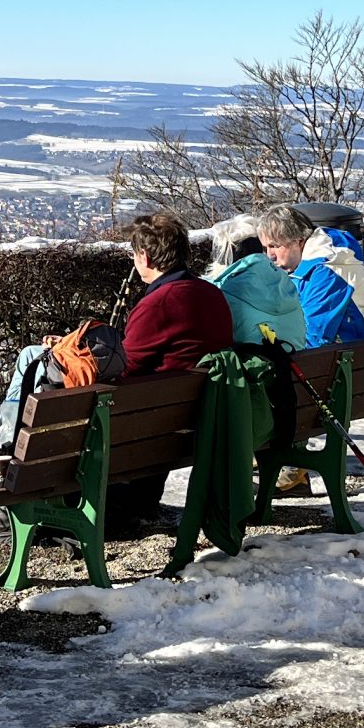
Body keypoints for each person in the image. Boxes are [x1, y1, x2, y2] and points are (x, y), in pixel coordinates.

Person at [108, 211, 236, 530]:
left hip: (154, 426)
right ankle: (141, 500)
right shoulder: (211, 294)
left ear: (145, 256)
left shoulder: (159, 303)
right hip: (197, 419)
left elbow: (126, 367)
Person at [259, 207, 364, 358]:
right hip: (349, 356)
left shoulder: (329, 270)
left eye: (274, 246)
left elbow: (313, 337)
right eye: (265, 247)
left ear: (299, 241)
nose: (270, 255)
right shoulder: (302, 267)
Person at [209, 224, 308, 353]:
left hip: (251, 365)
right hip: (299, 362)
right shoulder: (286, 283)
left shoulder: (220, 291)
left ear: (225, 255)